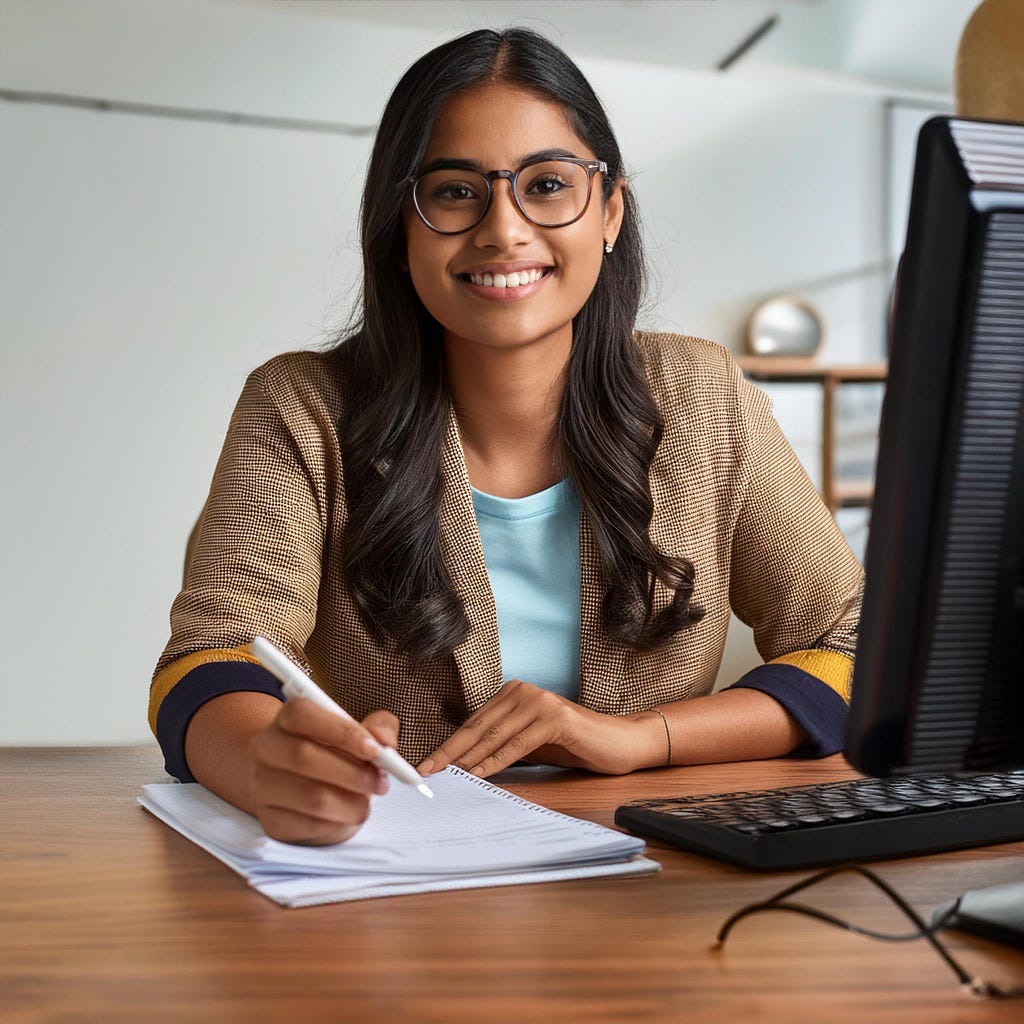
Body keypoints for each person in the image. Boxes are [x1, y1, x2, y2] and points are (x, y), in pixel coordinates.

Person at [149, 27, 862, 846]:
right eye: (456, 191)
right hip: (388, 885)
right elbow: (208, 660)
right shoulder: (302, 406)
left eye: (547, 184)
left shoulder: (703, 397)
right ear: (400, 224)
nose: (504, 230)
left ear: (610, 211)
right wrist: (263, 767)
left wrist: (639, 738)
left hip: (650, 882)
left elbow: (849, 644)